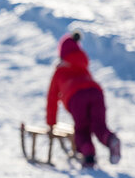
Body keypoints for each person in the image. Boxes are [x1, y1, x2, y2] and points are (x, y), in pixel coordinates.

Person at [46, 31, 121, 168]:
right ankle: (111, 140)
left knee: (82, 129)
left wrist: (51, 123)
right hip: (96, 92)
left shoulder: (60, 70)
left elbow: (52, 98)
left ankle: (89, 156)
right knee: (99, 125)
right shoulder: (82, 64)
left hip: (76, 97)